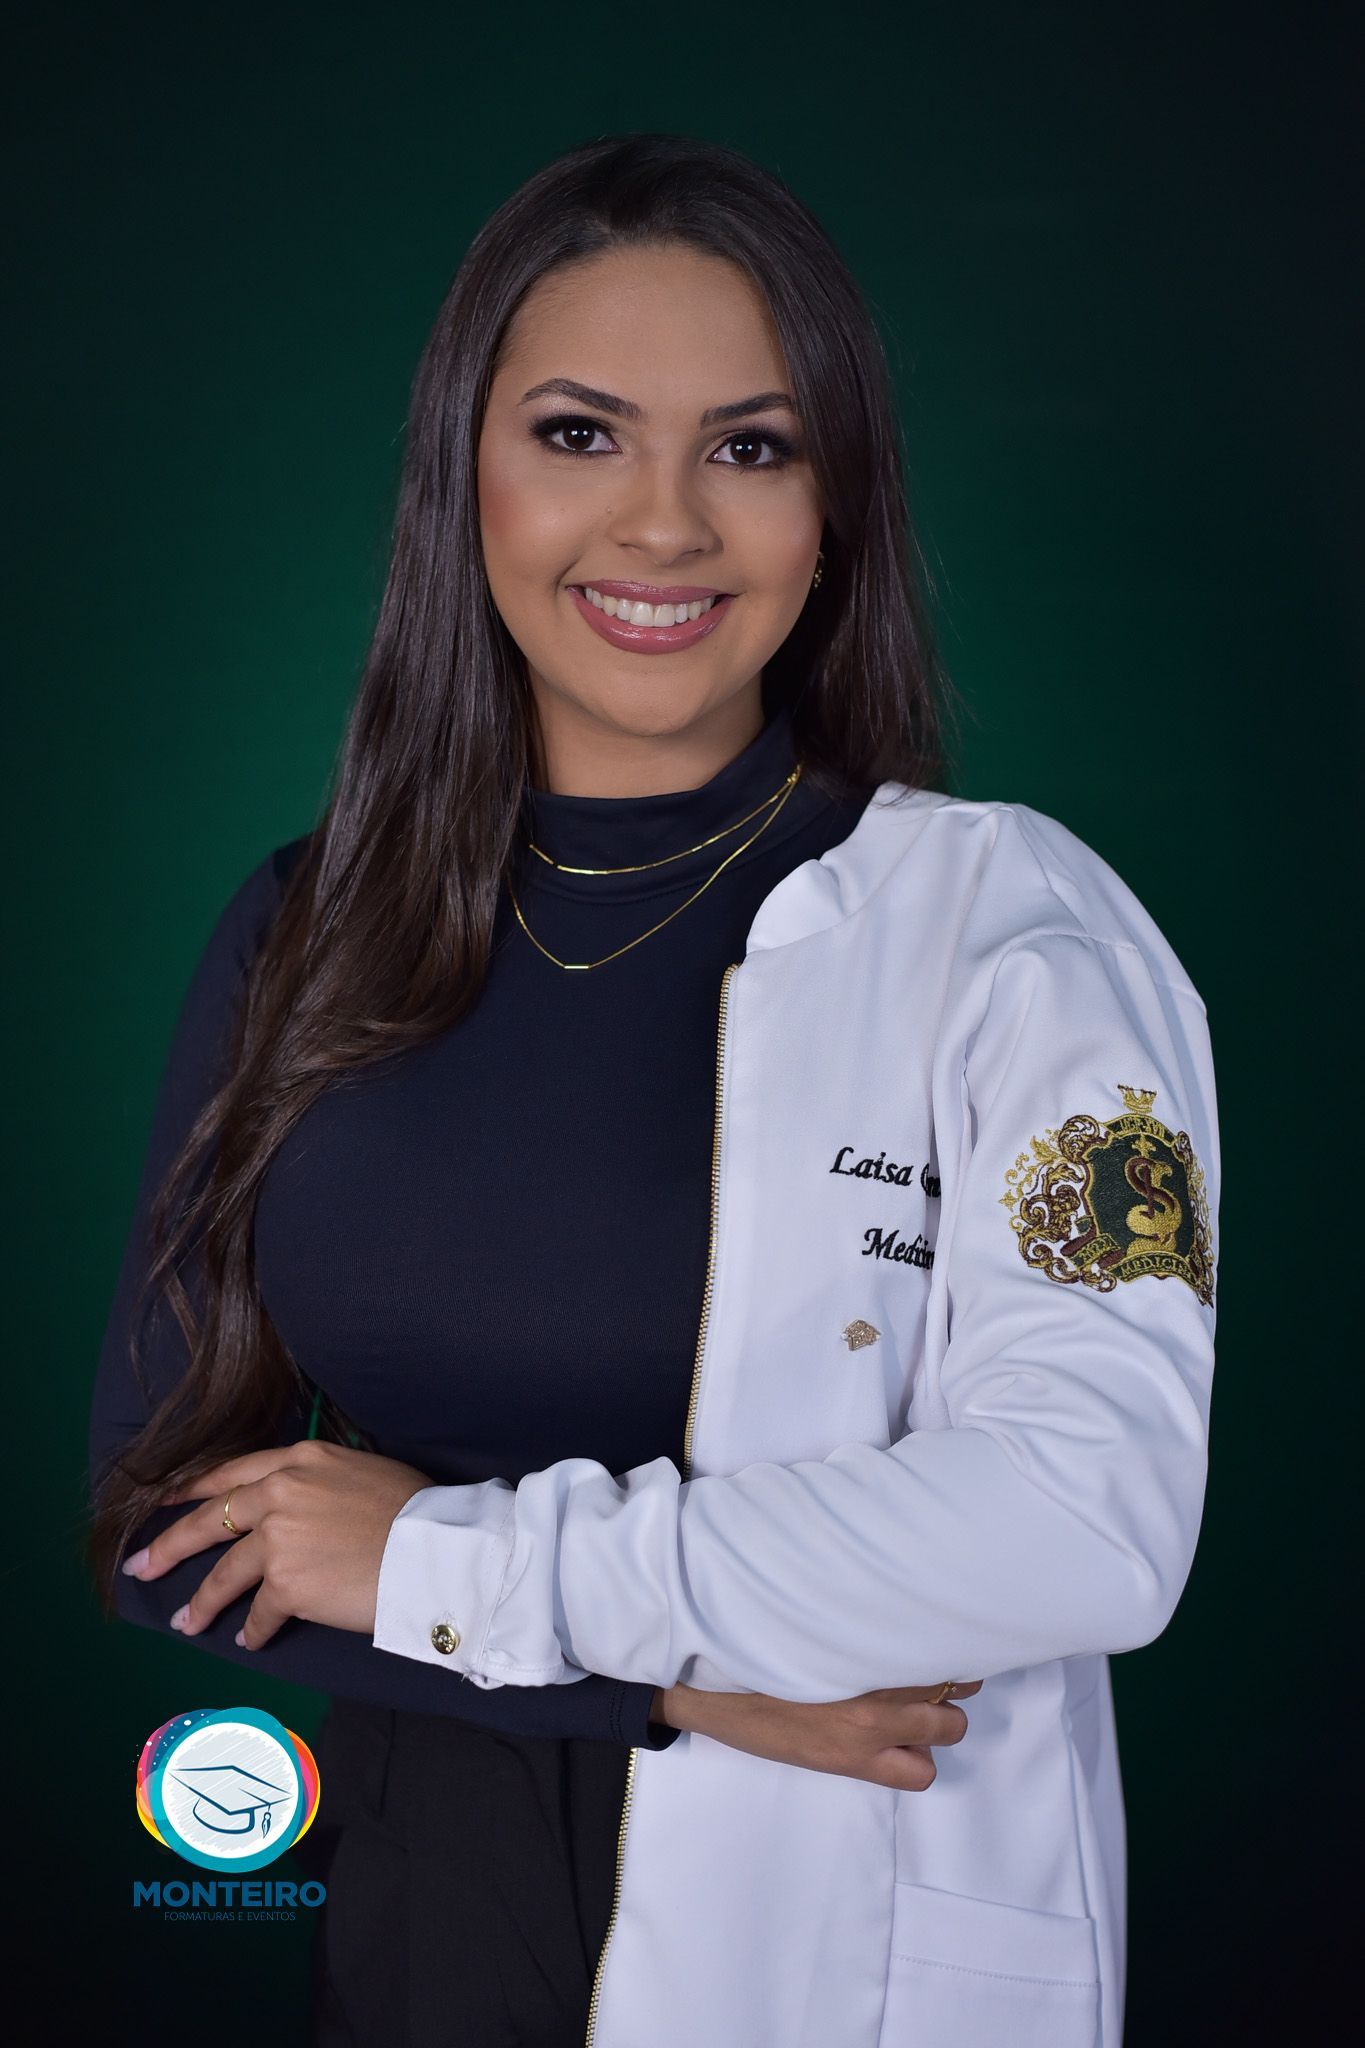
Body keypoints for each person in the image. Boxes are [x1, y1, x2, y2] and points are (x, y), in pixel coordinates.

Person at [87, 132, 1217, 2048]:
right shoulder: (304, 928)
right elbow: (159, 1525)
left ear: (834, 507)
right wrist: (664, 1687)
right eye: (579, 435)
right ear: (462, 480)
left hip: (846, 1909)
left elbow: (1089, 1518)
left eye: (750, 448)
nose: (665, 524)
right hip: (426, 1915)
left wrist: (452, 1563)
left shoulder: (1019, 934)